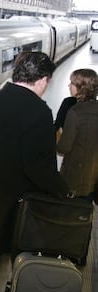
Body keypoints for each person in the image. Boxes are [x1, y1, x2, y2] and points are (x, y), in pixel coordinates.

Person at [0, 51, 69, 292]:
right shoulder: (39, 111)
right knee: (23, 250)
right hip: (24, 195)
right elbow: (39, 166)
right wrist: (62, 190)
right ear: (43, 79)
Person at [57, 68, 98, 203]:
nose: (69, 86)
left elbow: (64, 148)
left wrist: (58, 137)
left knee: (70, 213)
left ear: (81, 88)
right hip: (93, 176)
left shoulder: (75, 112)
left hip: (74, 177)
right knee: (85, 212)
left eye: (72, 83)